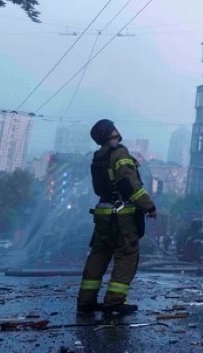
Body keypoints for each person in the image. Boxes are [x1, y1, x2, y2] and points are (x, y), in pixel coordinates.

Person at [77, 119, 156, 315]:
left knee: (99, 255)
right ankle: (114, 301)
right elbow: (129, 184)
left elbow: (100, 188)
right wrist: (149, 206)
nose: (117, 130)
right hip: (121, 214)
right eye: (113, 128)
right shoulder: (120, 153)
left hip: (103, 213)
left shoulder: (99, 156)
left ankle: (86, 301)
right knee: (127, 255)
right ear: (110, 133)